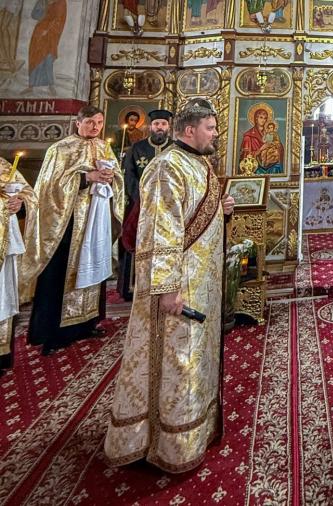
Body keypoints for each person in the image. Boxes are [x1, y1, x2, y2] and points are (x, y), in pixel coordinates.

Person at [104, 98, 235, 473]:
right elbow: (160, 232)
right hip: (178, 288)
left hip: (200, 282)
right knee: (174, 361)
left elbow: (196, 215)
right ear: (190, 130)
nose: (215, 134)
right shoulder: (167, 168)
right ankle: (165, 442)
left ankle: (195, 429)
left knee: (193, 359)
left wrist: (222, 210)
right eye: (210, 128)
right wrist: (166, 288)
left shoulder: (199, 163)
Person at [20, 105, 124, 356]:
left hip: (94, 221)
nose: (95, 127)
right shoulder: (60, 149)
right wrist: (87, 178)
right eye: (90, 122)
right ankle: (54, 333)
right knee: (60, 274)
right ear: (78, 123)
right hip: (66, 225)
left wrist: (111, 178)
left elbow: (117, 178)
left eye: (99, 122)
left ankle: (85, 324)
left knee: (92, 267)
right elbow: (49, 188)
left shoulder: (103, 147)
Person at [118, 109, 173, 301]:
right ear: (150, 126)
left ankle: (165, 286)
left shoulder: (175, 149)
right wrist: (142, 197)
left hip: (169, 206)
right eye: (156, 124)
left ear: (169, 127)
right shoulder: (137, 148)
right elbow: (128, 175)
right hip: (140, 206)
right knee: (137, 240)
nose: (160, 128)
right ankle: (132, 287)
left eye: (163, 124)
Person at [0, 157, 36, 375]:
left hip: (5, 242)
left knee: (3, 295)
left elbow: (29, 195)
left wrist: (19, 202)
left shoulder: (3, 165)